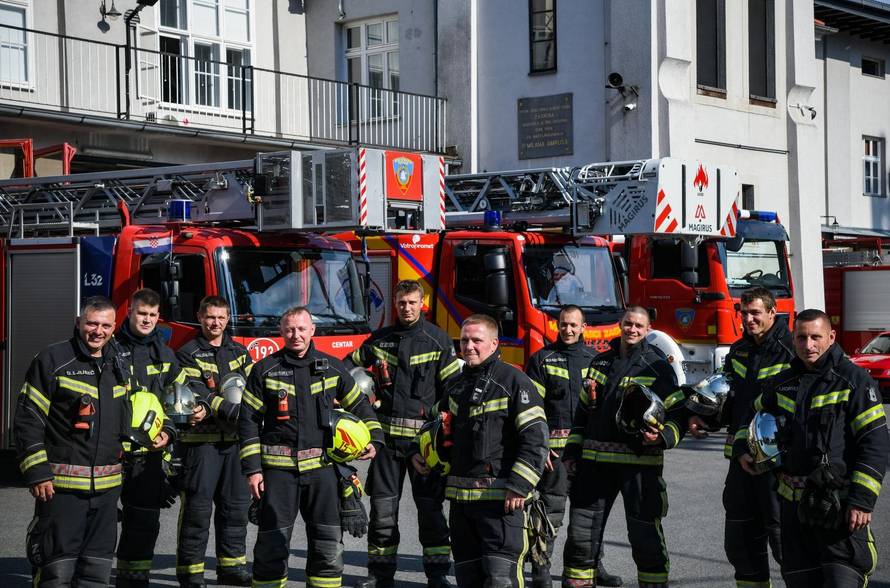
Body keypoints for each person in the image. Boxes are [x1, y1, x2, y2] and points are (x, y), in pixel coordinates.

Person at [239, 306, 384, 588]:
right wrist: (253, 470)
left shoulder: (331, 366)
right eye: (290, 329)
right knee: (271, 545)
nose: (296, 335)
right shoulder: (264, 370)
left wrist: (374, 438)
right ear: (281, 332)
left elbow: (360, 404)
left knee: (327, 544)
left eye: (302, 329)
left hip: (324, 473)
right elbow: (247, 422)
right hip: (278, 474)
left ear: (312, 331)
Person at [745, 309, 888, 587]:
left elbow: (875, 442)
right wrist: (742, 446)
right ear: (793, 339)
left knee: (843, 579)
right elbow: (751, 415)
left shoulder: (854, 382)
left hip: (838, 509)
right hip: (794, 512)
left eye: (815, 337)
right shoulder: (783, 383)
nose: (808, 345)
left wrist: (861, 500)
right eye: (801, 337)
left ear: (831, 337)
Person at [412, 314, 548, 587]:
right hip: (461, 504)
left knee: (501, 579)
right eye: (464, 340)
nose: (469, 346)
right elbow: (435, 427)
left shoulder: (513, 381)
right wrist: (420, 452)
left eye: (477, 340)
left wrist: (520, 485)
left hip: (501, 502)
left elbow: (535, 437)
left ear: (494, 343)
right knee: (468, 579)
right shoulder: (456, 385)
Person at [561, 306, 686, 588]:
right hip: (594, 465)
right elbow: (583, 412)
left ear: (648, 330)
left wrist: (663, 437)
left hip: (640, 467)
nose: (632, 330)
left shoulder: (658, 367)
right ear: (620, 324)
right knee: (581, 536)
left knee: (646, 539)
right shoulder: (600, 363)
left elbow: (678, 413)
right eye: (628, 324)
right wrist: (571, 453)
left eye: (639, 326)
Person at [348, 280, 461, 588]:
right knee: (383, 511)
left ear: (421, 303)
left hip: (424, 445)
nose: (407, 308)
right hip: (385, 445)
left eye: (412, 302)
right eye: (401, 303)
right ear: (395, 304)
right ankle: (380, 575)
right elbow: (348, 372)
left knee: (430, 511)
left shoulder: (437, 341)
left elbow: (452, 392)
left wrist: (441, 431)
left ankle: (437, 575)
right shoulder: (380, 340)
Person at [15, 296, 134, 586]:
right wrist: (38, 472)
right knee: (57, 570)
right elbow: (28, 419)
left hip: (106, 494)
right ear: (78, 323)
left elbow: (125, 419)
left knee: (97, 570)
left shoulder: (119, 364)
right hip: (60, 490)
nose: (98, 331)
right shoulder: (53, 360)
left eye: (105, 325)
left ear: (114, 327)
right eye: (92, 323)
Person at [687, 287, 790, 587]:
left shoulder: (790, 350)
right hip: (740, 465)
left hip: (776, 466)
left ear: (772, 312)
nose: (748, 319)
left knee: (786, 545)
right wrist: (699, 416)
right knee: (741, 543)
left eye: (755, 312)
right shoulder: (739, 349)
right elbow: (726, 397)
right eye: (744, 313)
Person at [524, 305, 622, 588]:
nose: (567, 330)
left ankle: (593, 565)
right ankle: (541, 571)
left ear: (583, 327)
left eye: (573, 325)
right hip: (553, 456)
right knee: (548, 515)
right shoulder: (541, 360)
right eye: (563, 324)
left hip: (589, 454)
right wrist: (540, 449)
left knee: (589, 516)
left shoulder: (597, 361)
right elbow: (533, 411)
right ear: (557, 326)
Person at [175, 296, 253, 587]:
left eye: (221, 317)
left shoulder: (239, 351)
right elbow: (195, 390)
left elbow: (251, 387)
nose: (215, 323)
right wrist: (228, 407)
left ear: (228, 318)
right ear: (199, 316)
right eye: (209, 317)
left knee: (235, 508)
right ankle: (191, 572)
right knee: (197, 509)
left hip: (234, 443)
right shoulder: (187, 352)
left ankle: (231, 567)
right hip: (200, 444)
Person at [114, 288, 182, 587]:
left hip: (149, 454)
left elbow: (178, 400)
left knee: (143, 522)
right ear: (129, 312)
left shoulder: (165, 355)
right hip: (111, 451)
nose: (147, 320)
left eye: (153, 315)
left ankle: (134, 577)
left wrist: (168, 431)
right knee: (99, 522)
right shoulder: (111, 348)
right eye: (142, 313)